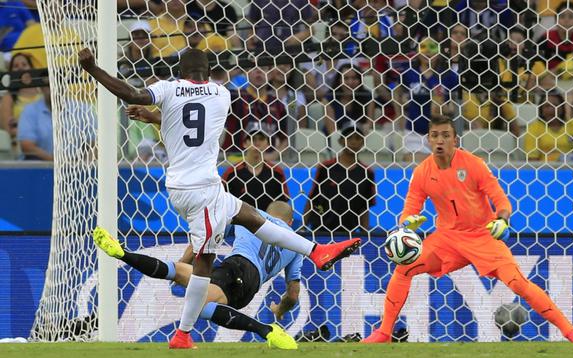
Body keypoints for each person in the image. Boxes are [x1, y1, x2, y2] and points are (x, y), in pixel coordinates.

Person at [78, 47, 361, 349]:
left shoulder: (169, 89)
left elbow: (135, 96)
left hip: (193, 188)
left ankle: (317, 251)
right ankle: (183, 335)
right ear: (209, 71)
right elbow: (196, 124)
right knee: (204, 262)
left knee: (249, 215)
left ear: (180, 71)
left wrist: (93, 69)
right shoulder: (221, 93)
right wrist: (154, 117)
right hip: (199, 190)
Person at [362, 116, 573, 344]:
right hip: (447, 239)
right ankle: (384, 333)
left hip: (483, 236)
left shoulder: (473, 164)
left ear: (455, 139)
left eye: (445, 135)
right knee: (404, 268)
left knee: (518, 283)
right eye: (435, 136)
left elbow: (501, 200)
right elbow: (410, 207)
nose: (440, 141)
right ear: (428, 140)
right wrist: (408, 223)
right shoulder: (422, 172)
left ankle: (570, 332)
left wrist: (502, 220)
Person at [93, 201, 301, 349]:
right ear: (290, 221)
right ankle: (124, 254)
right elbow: (293, 294)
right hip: (250, 283)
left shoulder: (252, 215)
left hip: (236, 267)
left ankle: (265, 330)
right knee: (185, 282)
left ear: (267, 211)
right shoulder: (295, 242)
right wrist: (280, 309)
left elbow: (205, 237)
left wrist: (186, 261)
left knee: (195, 301)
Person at [304, 123, 376, 234]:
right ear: (341, 141)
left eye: (358, 138)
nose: (353, 141)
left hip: (349, 233)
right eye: (349, 137)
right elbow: (312, 199)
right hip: (321, 231)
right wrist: (303, 227)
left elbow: (364, 207)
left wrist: (365, 235)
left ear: (363, 142)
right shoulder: (325, 168)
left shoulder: (367, 172)